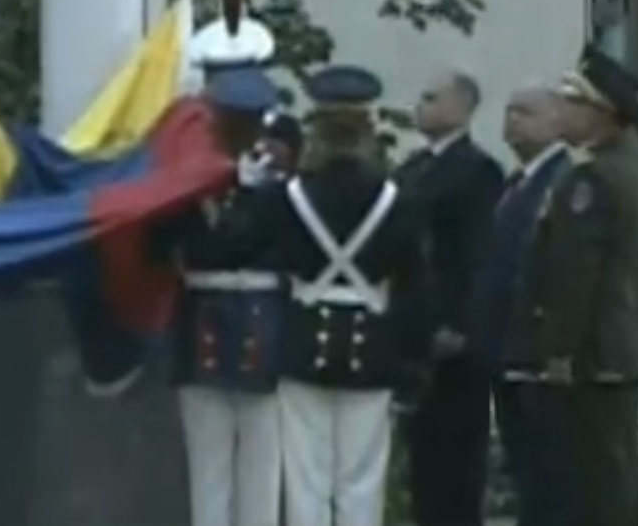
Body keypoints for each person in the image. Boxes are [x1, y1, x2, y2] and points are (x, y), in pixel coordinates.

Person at [243, 65, 431, 526]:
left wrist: (245, 191)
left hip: (304, 340)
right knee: (362, 479)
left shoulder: (284, 198)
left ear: (316, 130)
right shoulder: (399, 200)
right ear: (369, 130)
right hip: (374, 348)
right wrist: (413, 359)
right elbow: (417, 286)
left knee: (306, 478)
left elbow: (243, 247)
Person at [502, 45, 638, 526]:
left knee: (586, 480)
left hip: (588, 354)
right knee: (609, 471)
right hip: (611, 348)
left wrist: (556, 352)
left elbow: (573, 275)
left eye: (575, 102)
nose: (564, 111)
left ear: (602, 114)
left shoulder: (592, 179)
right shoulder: (628, 166)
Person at [167, 0, 289, 526]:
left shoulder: (276, 169)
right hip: (224, 311)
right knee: (233, 460)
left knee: (229, 459)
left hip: (232, 310)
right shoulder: (191, 167)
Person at [397, 70, 505, 526]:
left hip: (454, 339)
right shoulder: (413, 168)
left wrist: (458, 324)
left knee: (455, 459)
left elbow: (475, 256)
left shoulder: (477, 171)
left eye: (431, 97)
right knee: (421, 459)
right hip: (413, 329)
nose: (419, 106)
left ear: (462, 108)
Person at [465, 85, 569, 526]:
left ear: (556, 121)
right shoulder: (518, 181)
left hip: (534, 349)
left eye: (525, 112)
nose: (512, 121)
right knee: (523, 466)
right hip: (504, 346)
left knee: (545, 470)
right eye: (508, 111)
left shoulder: (562, 181)